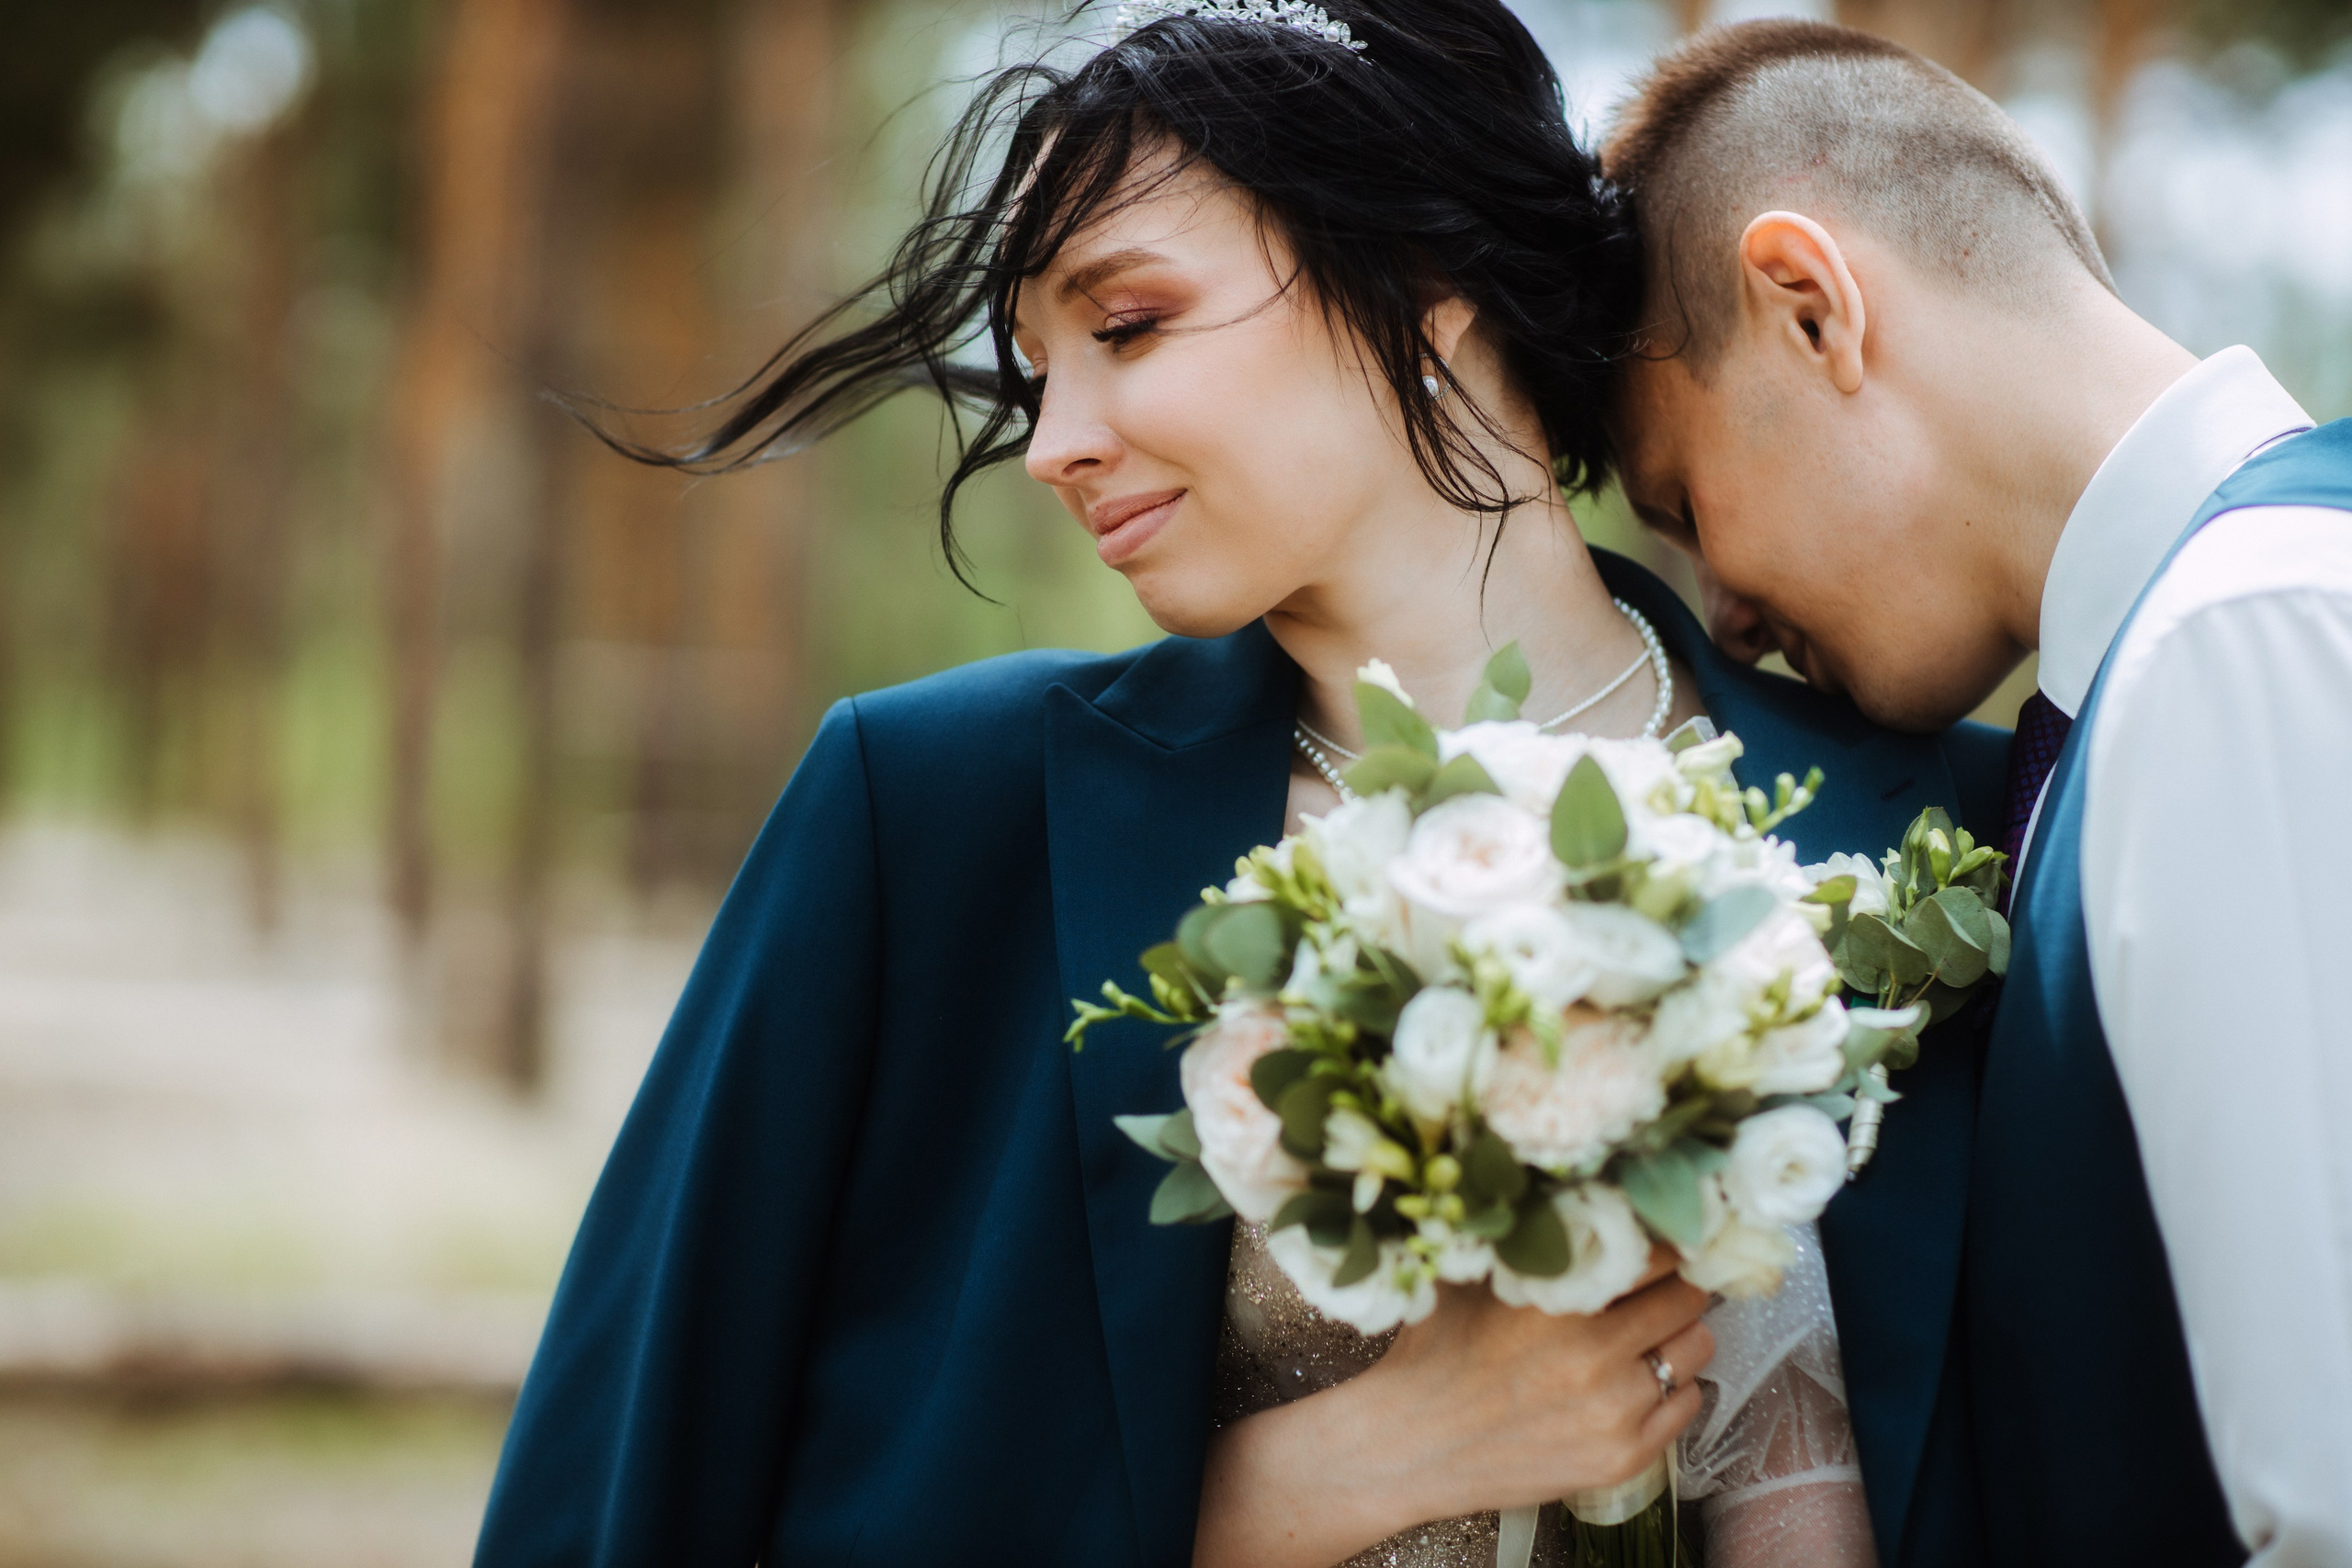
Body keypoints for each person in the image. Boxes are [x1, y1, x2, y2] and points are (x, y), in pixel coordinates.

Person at [472, 4, 2002, 1563]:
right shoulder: (927, 821)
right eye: (1034, 372)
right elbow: (626, 1502)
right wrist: (1334, 1473)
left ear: (1424, 272)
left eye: (1124, 327)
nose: (1052, 443)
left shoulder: (1961, 843)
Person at [1602, 18, 2352, 1568]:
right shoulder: (2178, 658)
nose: (1724, 612)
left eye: (1683, 506)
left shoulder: (2240, 632)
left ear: (1811, 308)